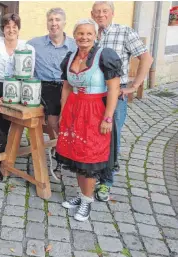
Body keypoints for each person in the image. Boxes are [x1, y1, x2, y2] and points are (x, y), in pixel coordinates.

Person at [58, 18, 122, 221]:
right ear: (74, 35)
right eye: (80, 33)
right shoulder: (70, 57)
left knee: (89, 157)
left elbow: (114, 88)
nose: (84, 37)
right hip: (74, 110)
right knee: (76, 154)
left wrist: (108, 118)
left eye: (88, 34)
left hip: (95, 112)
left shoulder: (105, 56)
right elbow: (67, 86)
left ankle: (87, 202)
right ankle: (82, 195)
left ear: (95, 36)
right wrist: (63, 113)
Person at [91, 1, 153, 202]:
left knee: (111, 137)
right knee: (95, 134)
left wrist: (134, 86)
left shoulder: (125, 32)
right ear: (92, 14)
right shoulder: (91, 33)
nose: (101, 15)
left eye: (105, 11)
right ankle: (93, 173)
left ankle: (106, 182)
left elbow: (146, 58)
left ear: (112, 13)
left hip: (116, 94)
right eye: (97, 12)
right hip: (94, 94)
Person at [0, 13, 35, 182]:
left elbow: (29, 73)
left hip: (15, 90)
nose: (11, 30)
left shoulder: (28, 48)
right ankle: (1, 141)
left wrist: (17, 96)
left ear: (18, 29)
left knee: (4, 126)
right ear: (3, 29)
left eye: (14, 27)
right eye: (7, 27)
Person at [27, 8, 77, 141]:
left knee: (74, 118)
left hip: (70, 85)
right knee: (54, 121)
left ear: (64, 23)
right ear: (47, 23)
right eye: (50, 20)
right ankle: (62, 148)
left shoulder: (75, 45)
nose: (54, 23)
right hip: (46, 87)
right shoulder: (34, 44)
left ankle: (69, 146)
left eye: (57, 20)